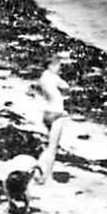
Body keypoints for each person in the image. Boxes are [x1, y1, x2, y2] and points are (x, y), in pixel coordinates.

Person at [34, 53, 72, 183]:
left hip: (47, 112)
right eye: (58, 66)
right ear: (51, 66)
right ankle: (47, 177)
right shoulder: (54, 78)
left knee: (48, 145)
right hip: (57, 113)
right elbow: (66, 86)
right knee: (52, 148)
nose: (60, 68)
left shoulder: (43, 77)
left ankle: (38, 169)